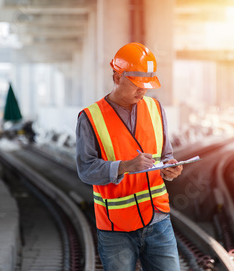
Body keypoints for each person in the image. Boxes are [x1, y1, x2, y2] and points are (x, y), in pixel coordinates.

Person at [75, 42, 183, 271]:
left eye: (146, 84)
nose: (142, 89)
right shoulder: (90, 117)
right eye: (136, 83)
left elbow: (166, 155)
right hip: (116, 229)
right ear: (117, 77)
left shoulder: (155, 108)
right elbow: (86, 170)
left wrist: (169, 167)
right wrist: (124, 166)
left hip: (158, 220)